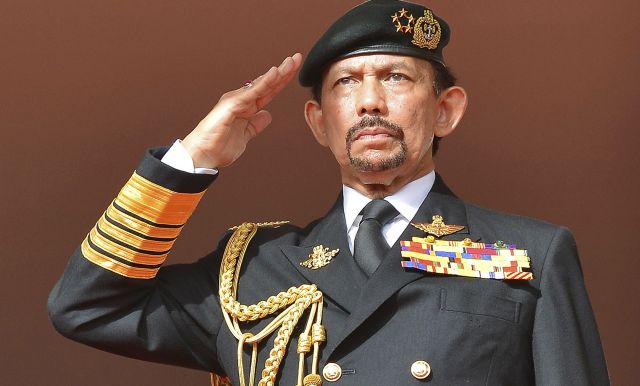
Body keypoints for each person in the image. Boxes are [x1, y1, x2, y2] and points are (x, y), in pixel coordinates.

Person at [48, 1, 610, 385]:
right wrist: (191, 160)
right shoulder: (252, 272)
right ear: (318, 122)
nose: (369, 101)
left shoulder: (528, 254)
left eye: (395, 77)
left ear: (445, 110)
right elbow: (86, 307)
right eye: (346, 82)